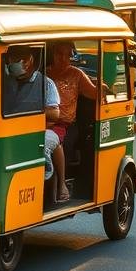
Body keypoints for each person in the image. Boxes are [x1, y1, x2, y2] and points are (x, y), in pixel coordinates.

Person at [46, 41, 102, 202]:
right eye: (59, 54)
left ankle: (61, 184)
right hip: (41, 122)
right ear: (53, 55)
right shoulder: (44, 74)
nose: (63, 59)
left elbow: (93, 93)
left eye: (67, 55)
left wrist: (103, 85)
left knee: (64, 143)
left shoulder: (76, 74)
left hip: (66, 124)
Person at [0, 48, 62, 191]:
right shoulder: (3, 82)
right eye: (12, 59)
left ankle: (44, 185)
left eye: (19, 58)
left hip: (41, 130)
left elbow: (55, 113)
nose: (14, 63)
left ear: (30, 61)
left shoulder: (46, 83)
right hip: (9, 132)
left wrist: (27, 112)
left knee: (42, 145)